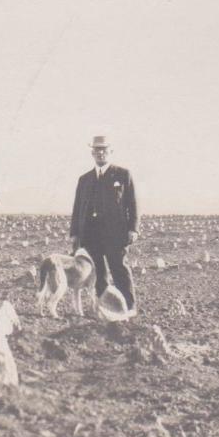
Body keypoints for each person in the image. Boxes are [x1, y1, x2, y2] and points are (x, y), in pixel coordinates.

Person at [70, 135, 139, 315]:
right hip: (90, 234)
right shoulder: (84, 179)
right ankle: (105, 309)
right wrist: (74, 233)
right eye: (97, 150)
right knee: (98, 273)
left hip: (115, 233)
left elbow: (133, 204)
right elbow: (77, 208)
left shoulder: (123, 175)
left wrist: (133, 229)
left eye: (104, 150)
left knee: (119, 269)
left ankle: (129, 308)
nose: (100, 153)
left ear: (110, 151)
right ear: (92, 153)